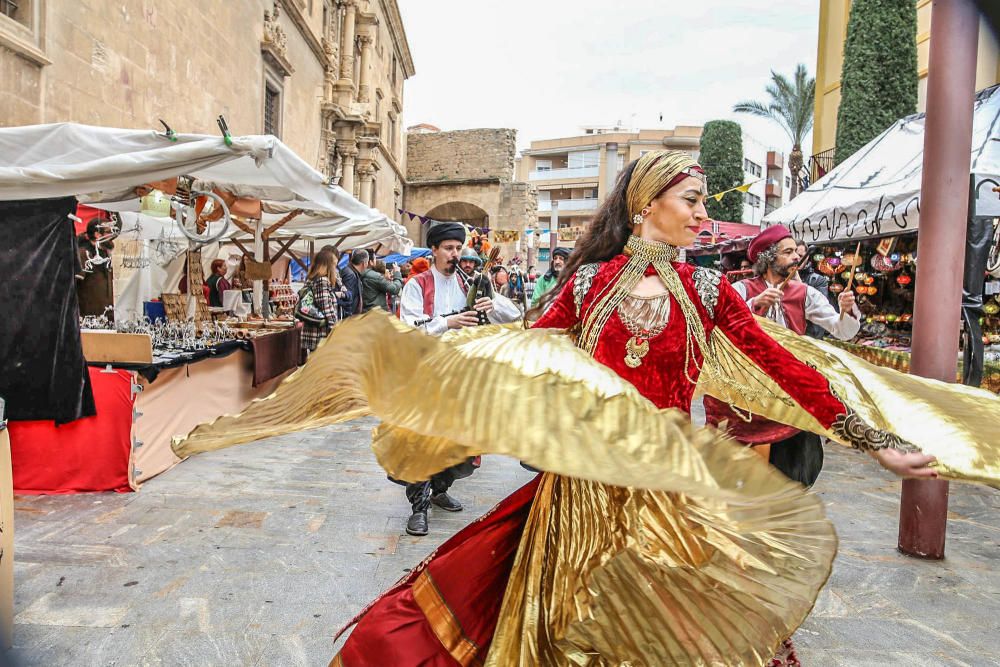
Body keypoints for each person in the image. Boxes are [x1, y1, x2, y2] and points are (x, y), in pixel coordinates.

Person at [324, 150, 936, 665]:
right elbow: (522, 353)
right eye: (692, 200)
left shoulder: (708, 289)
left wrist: (873, 439)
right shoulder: (589, 284)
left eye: (702, 202)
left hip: (668, 492)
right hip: (579, 492)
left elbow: (787, 368)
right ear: (648, 207)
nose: (703, 214)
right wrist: (427, 387)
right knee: (564, 627)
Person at [704, 226, 862, 487]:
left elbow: (841, 330)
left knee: (797, 457)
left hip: (789, 386)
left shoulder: (805, 293)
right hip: (750, 385)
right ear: (767, 258)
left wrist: (848, 310)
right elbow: (720, 328)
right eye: (787, 252)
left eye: (795, 252)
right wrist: (754, 306)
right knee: (748, 454)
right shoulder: (742, 289)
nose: (795, 258)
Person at [397, 221, 521, 536]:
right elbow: (408, 328)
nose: (455, 254)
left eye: (458, 249)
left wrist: (493, 301)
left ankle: (440, 488)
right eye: (449, 249)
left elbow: (512, 315)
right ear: (435, 250)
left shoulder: (470, 283)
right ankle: (419, 507)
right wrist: (448, 322)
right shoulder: (417, 284)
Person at [300, 248, 342, 357]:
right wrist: (335, 329)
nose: (334, 268)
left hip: (313, 330)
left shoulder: (311, 279)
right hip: (321, 333)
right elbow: (326, 307)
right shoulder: (322, 281)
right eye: (333, 265)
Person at [75, 219, 115, 318]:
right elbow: (72, 287)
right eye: (108, 232)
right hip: (89, 318)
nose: (111, 235)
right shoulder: (84, 253)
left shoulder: (106, 253)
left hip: (106, 316)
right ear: (97, 234)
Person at [796, 240, 833, 339]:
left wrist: (799, 284)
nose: (796, 259)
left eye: (800, 256)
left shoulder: (817, 280)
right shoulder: (779, 277)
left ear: (807, 257)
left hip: (809, 338)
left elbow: (820, 312)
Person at [338, 249, 368, 317]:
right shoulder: (350, 274)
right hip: (349, 318)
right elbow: (348, 299)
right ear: (364, 263)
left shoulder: (351, 271)